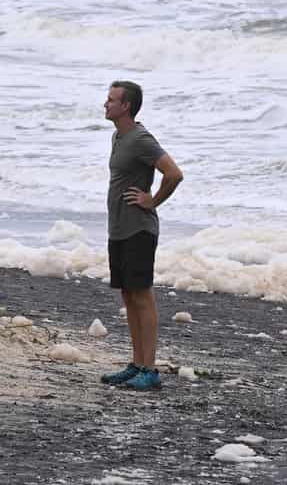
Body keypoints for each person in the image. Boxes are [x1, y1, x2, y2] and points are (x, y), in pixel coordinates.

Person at [98, 80, 183, 391]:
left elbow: (174, 173)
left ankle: (150, 369)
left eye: (111, 100)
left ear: (126, 106)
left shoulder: (141, 138)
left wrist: (153, 200)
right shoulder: (118, 137)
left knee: (142, 296)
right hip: (119, 227)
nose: (105, 104)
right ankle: (135, 364)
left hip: (139, 229)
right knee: (128, 296)